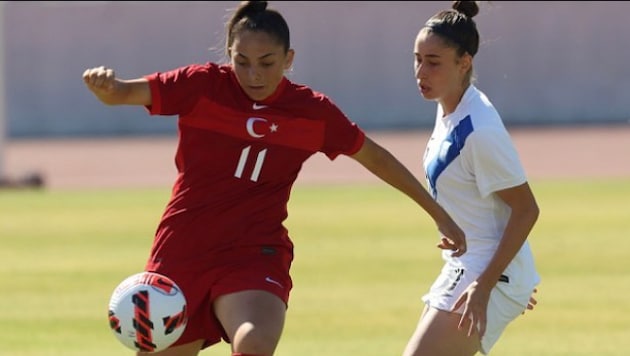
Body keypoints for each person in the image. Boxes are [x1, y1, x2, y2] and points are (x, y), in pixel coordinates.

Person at [82, 1, 466, 355]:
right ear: (229, 56)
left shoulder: (311, 112)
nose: (253, 74)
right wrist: (106, 85)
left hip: (254, 250)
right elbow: (121, 93)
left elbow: (376, 158)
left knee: (255, 340)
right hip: (182, 248)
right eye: (242, 61)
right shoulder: (200, 85)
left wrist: (438, 214)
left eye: (267, 62)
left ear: (288, 59)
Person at [401, 1, 540, 355]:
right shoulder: (449, 107)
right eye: (418, 58)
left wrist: (492, 284)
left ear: (465, 63)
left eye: (434, 63)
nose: (421, 72)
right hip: (473, 265)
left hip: (486, 274)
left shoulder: (479, 129)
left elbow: (526, 209)